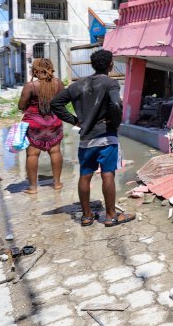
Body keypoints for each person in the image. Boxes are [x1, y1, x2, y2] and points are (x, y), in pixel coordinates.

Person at [51, 49, 134, 227]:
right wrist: (116, 122)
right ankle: (111, 216)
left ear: (92, 65)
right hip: (106, 137)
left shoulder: (77, 85)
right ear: (110, 65)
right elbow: (115, 104)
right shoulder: (111, 83)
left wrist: (76, 121)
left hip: (86, 139)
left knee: (85, 175)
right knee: (108, 174)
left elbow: (55, 103)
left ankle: (87, 216)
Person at [18, 58, 65, 194]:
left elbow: (21, 105)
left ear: (35, 71)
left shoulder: (31, 86)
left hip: (34, 123)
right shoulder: (58, 83)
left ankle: (33, 187)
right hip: (54, 121)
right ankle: (56, 183)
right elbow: (63, 102)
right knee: (55, 151)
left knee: (32, 154)